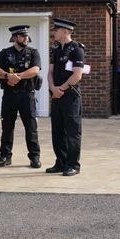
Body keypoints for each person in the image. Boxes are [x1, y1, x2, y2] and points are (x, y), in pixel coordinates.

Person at [0, 25, 42, 169]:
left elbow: (35, 69)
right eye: (22, 35)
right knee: (7, 127)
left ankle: (34, 157)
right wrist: (8, 76)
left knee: (31, 127)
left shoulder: (33, 53)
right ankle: (5, 156)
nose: (26, 38)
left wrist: (18, 76)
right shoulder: (4, 53)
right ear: (15, 37)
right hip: (9, 95)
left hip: (26, 94)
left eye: (27, 35)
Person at [47, 17, 85, 177]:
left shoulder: (77, 49)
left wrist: (60, 89)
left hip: (70, 96)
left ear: (65, 31)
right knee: (57, 131)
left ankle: (73, 164)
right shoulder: (55, 50)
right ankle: (60, 162)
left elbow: (77, 75)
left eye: (56, 30)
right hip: (56, 96)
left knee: (72, 132)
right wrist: (53, 89)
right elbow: (50, 72)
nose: (54, 32)